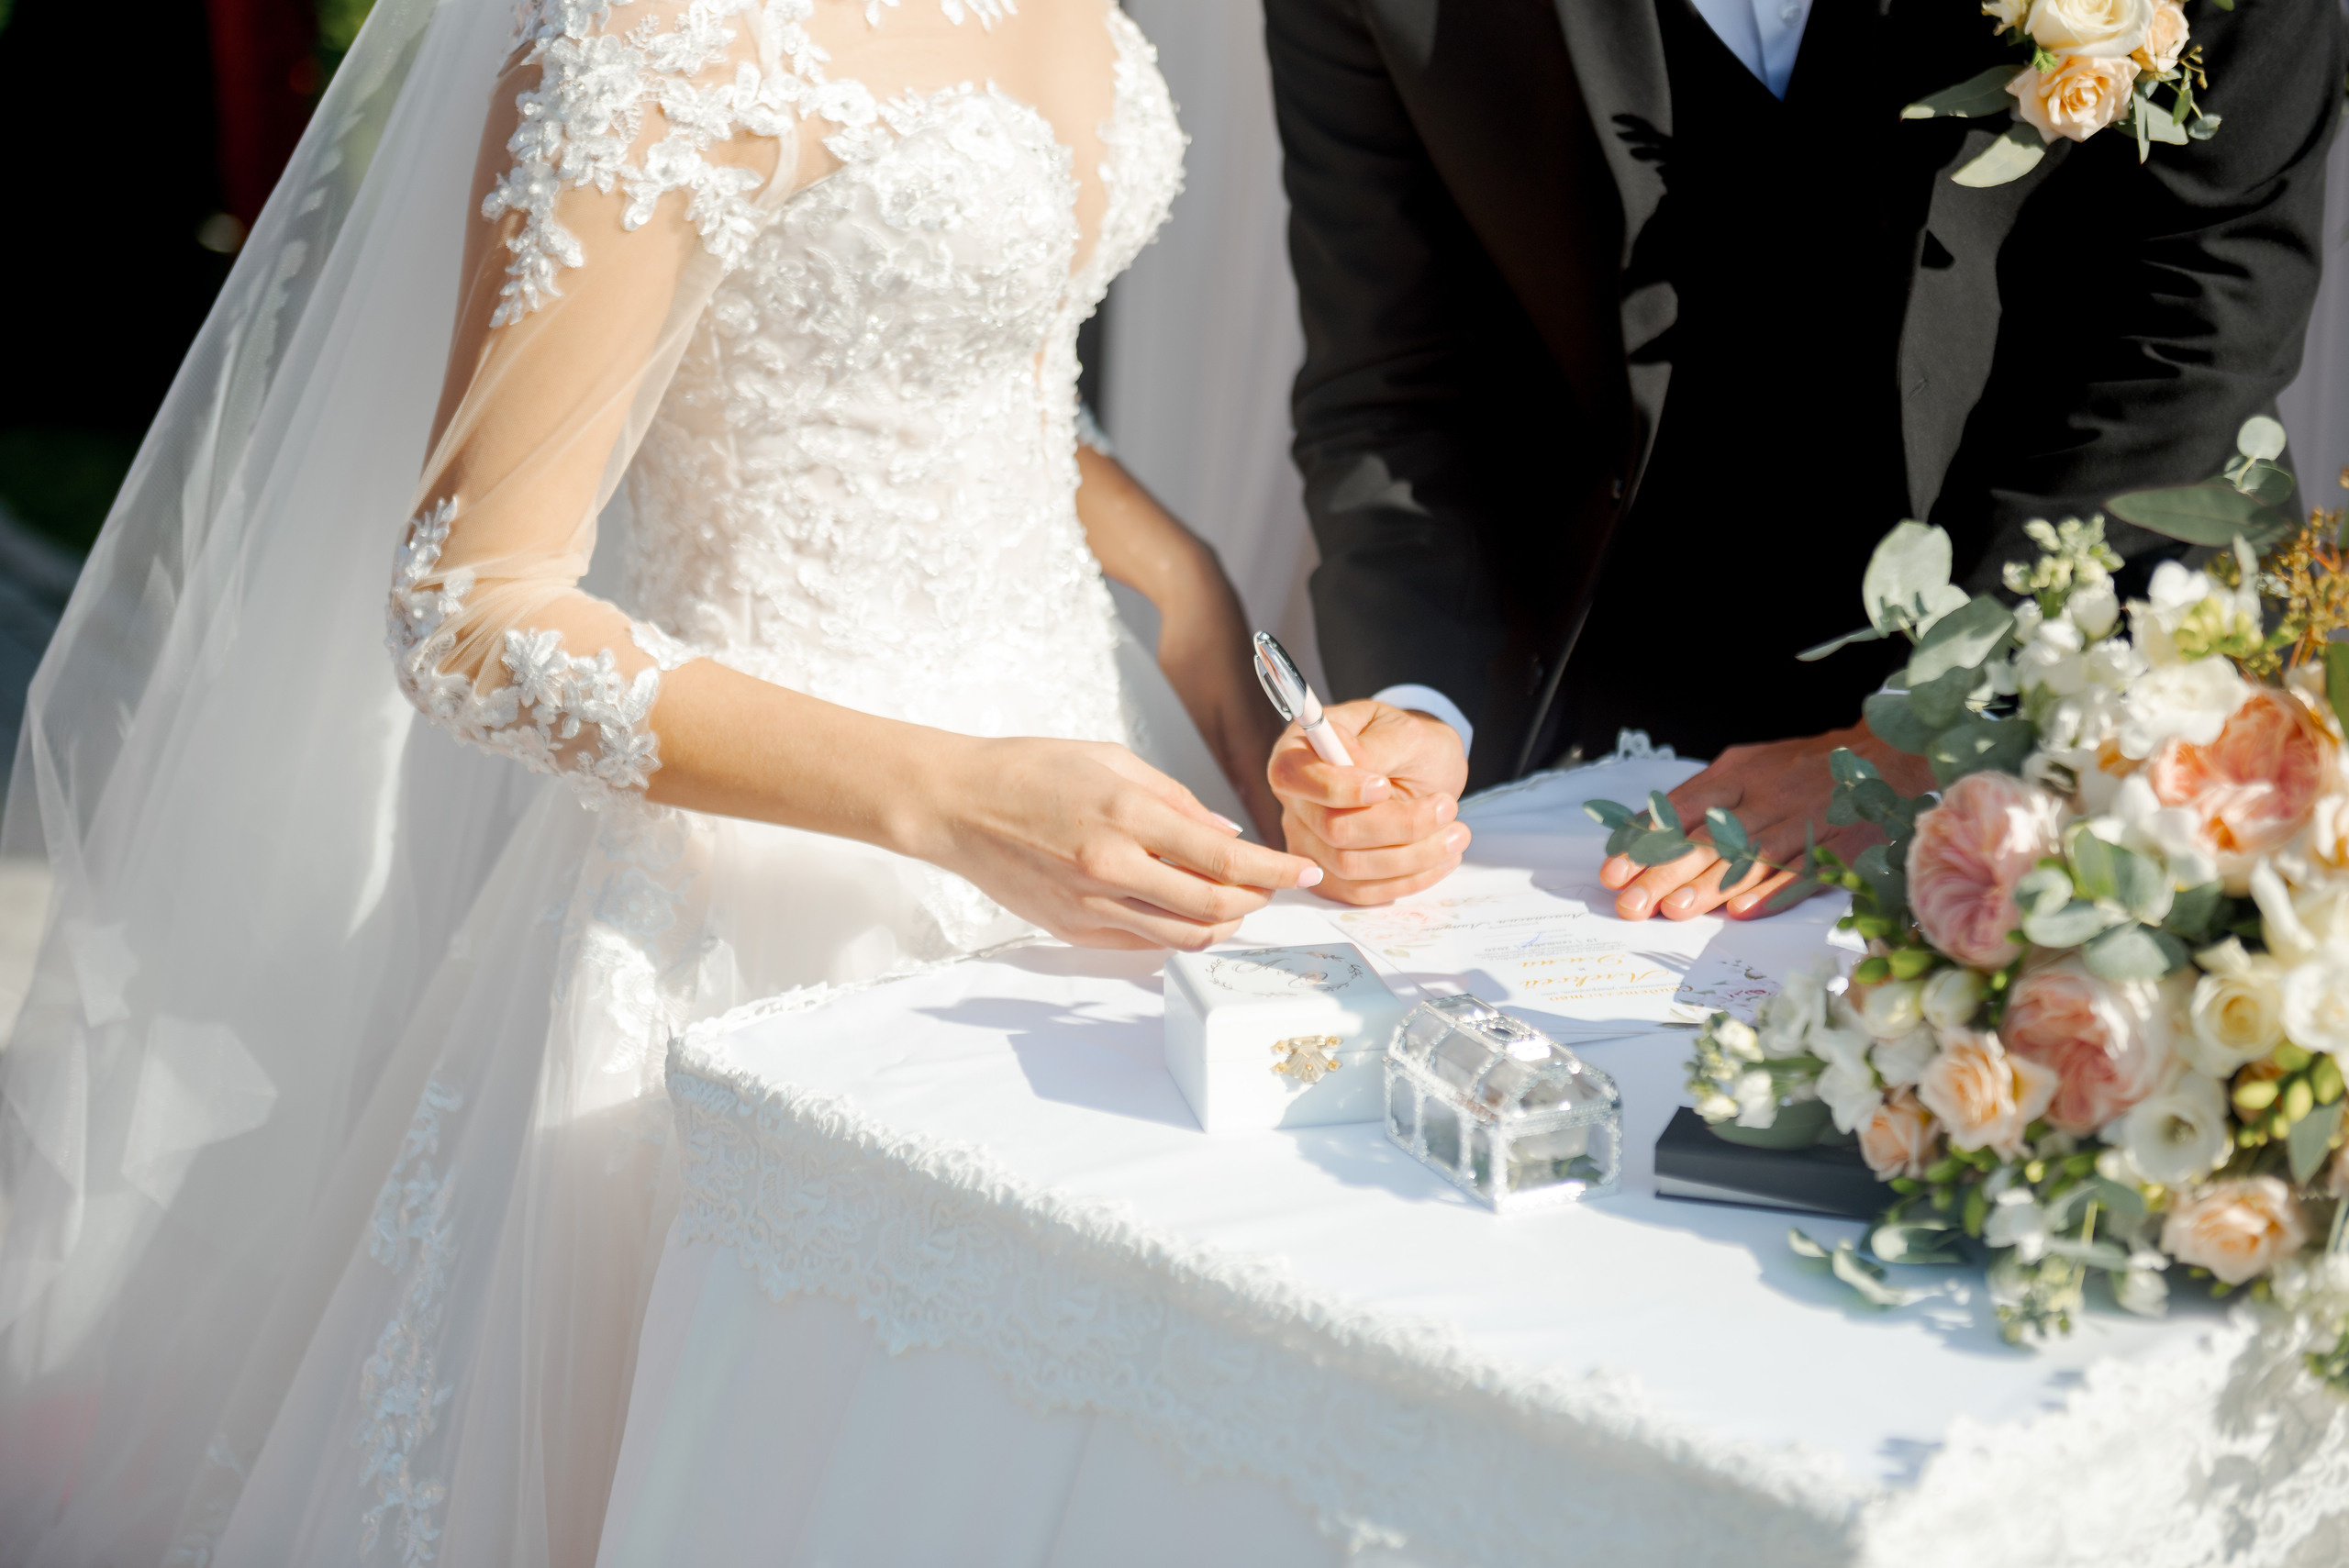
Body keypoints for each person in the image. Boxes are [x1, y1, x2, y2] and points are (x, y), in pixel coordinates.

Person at [0, 1, 1316, 1561]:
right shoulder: (654, 34)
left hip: (1094, 826)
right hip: (772, 895)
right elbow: (472, 610)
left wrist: (1201, 614)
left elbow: (982, 361)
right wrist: (957, 800)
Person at [1261, 0, 2345, 919]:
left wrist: (1942, 726)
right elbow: (1396, 366)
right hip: (1604, 757)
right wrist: (1418, 702)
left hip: (2081, 698)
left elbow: (2197, 319)